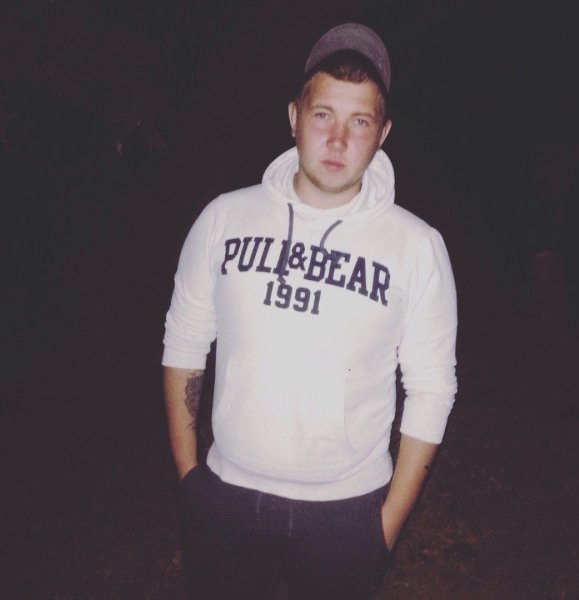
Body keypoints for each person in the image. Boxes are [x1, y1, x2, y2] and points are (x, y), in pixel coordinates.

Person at [162, 22, 457, 600]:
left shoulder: (417, 246)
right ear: (295, 116)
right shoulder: (223, 218)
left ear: (383, 134)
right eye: (324, 115)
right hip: (224, 498)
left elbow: (431, 390)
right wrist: (190, 482)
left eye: (360, 121)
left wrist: (383, 529)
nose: (338, 140)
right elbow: (185, 344)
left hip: (346, 515)